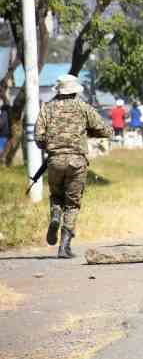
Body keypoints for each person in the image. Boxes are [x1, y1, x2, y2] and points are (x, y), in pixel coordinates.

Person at [34, 75, 113, 258]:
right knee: (73, 204)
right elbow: (106, 130)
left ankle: (55, 215)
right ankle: (64, 246)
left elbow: (38, 138)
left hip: (54, 161)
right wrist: (89, 131)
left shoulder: (47, 108)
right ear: (75, 90)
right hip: (77, 162)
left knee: (56, 196)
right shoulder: (83, 107)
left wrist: (52, 145)